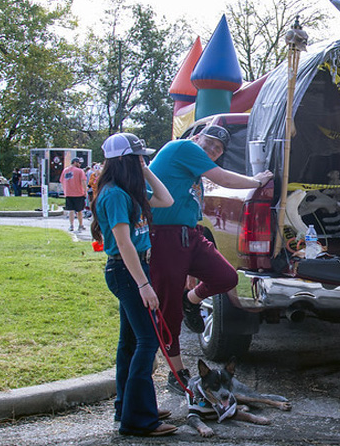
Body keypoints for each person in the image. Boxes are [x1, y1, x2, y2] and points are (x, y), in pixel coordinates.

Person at [148, 125, 274, 394]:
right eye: (210, 142)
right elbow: (226, 180)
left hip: (190, 235)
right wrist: (257, 180)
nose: (213, 149)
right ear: (196, 138)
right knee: (169, 311)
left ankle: (190, 299)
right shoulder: (184, 147)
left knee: (226, 277)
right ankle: (176, 372)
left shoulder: (195, 169)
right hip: (166, 237)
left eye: (219, 149)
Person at [91, 133, 176, 436]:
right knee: (147, 342)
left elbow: (167, 199)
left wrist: (146, 169)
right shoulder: (114, 194)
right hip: (128, 271)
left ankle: (128, 407)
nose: (142, 161)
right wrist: (143, 284)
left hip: (132, 270)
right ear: (123, 161)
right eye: (138, 157)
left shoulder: (129, 191)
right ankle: (138, 418)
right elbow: (124, 244)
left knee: (130, 342)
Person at [60, 157, 88, 231]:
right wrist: (85, 191)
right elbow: (83, 182)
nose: (79, 164)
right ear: (75, 162)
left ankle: (71, 225)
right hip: (79, 193)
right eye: (79, 163)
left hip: (68, 193)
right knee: (79, 211)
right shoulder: (80, 171)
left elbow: (62, 181)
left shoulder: (65, 170)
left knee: (71, 210)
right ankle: (80, 225)